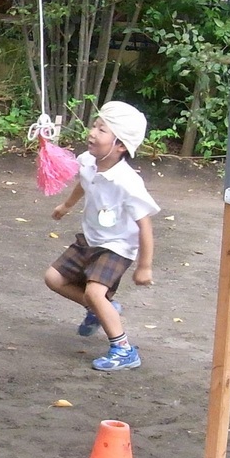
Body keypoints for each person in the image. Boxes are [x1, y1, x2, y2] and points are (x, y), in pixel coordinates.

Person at [46, 101, 159, 371]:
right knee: (53, 278)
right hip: (90, 239)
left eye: (102, 130)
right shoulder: (88, 161)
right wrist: (67, 205)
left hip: (117, 247)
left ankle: (124, 350)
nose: (92, 133)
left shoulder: (127, 182)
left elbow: (145, 225)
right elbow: (84, 183)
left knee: (96, 292)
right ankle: (100, 309)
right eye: (94, 126)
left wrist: (144, 266)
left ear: (120, 146)